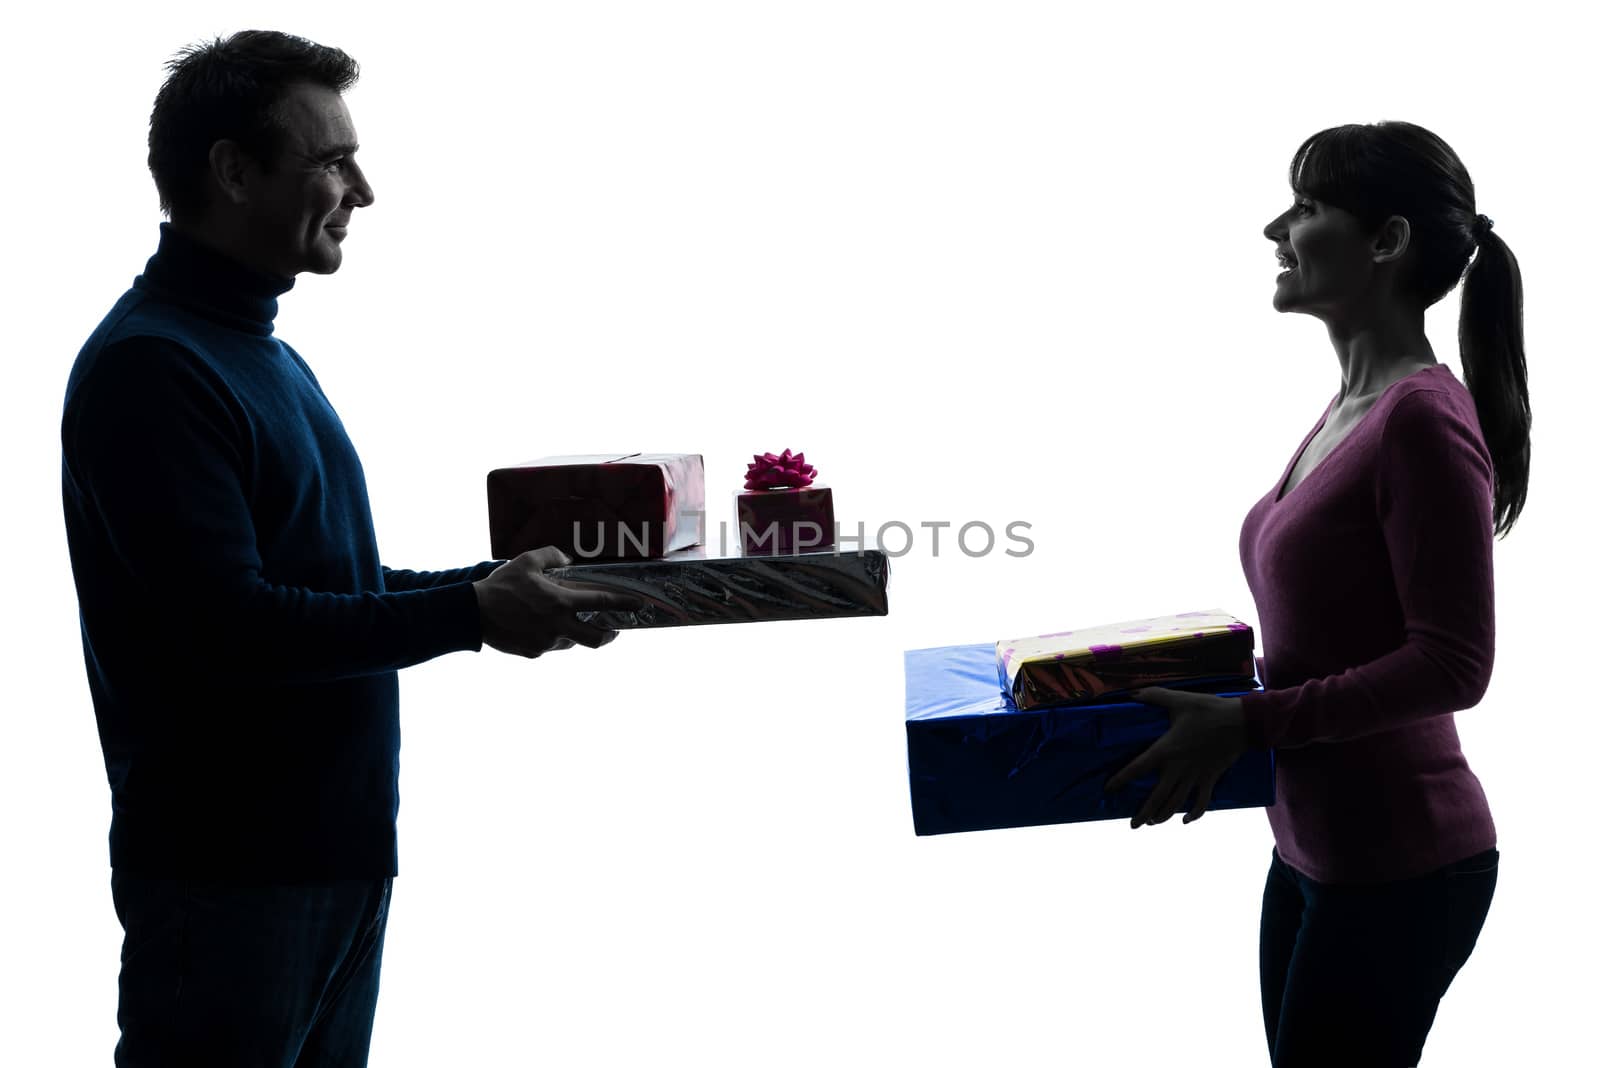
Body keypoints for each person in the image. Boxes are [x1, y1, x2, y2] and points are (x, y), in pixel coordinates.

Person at [59, 30, 638, 1067]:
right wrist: (470, 615)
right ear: (234, 172)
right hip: (229, 882)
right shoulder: (153, 370)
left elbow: (331, 592)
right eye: (331, 159)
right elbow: (234, 629)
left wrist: (494, 588)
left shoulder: (257, 356)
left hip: (327, 865)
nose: (362, 190)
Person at [1103, 121, 1528, 1066]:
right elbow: (1329, 632)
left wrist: (1246, 725)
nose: (1274, 229)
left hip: (1404, 868)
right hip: (1308, 853)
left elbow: (1453, 665)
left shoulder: (1421, 420)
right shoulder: (1350, 410)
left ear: (1385, 242)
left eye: (1306, 206)